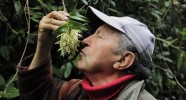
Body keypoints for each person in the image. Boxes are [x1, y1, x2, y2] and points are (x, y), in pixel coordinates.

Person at [18, 6, 156, 100]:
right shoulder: (76, 92)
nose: (85, 40)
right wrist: (44, 45)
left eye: (99, 36)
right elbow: (37, 93)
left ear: (123, 60)